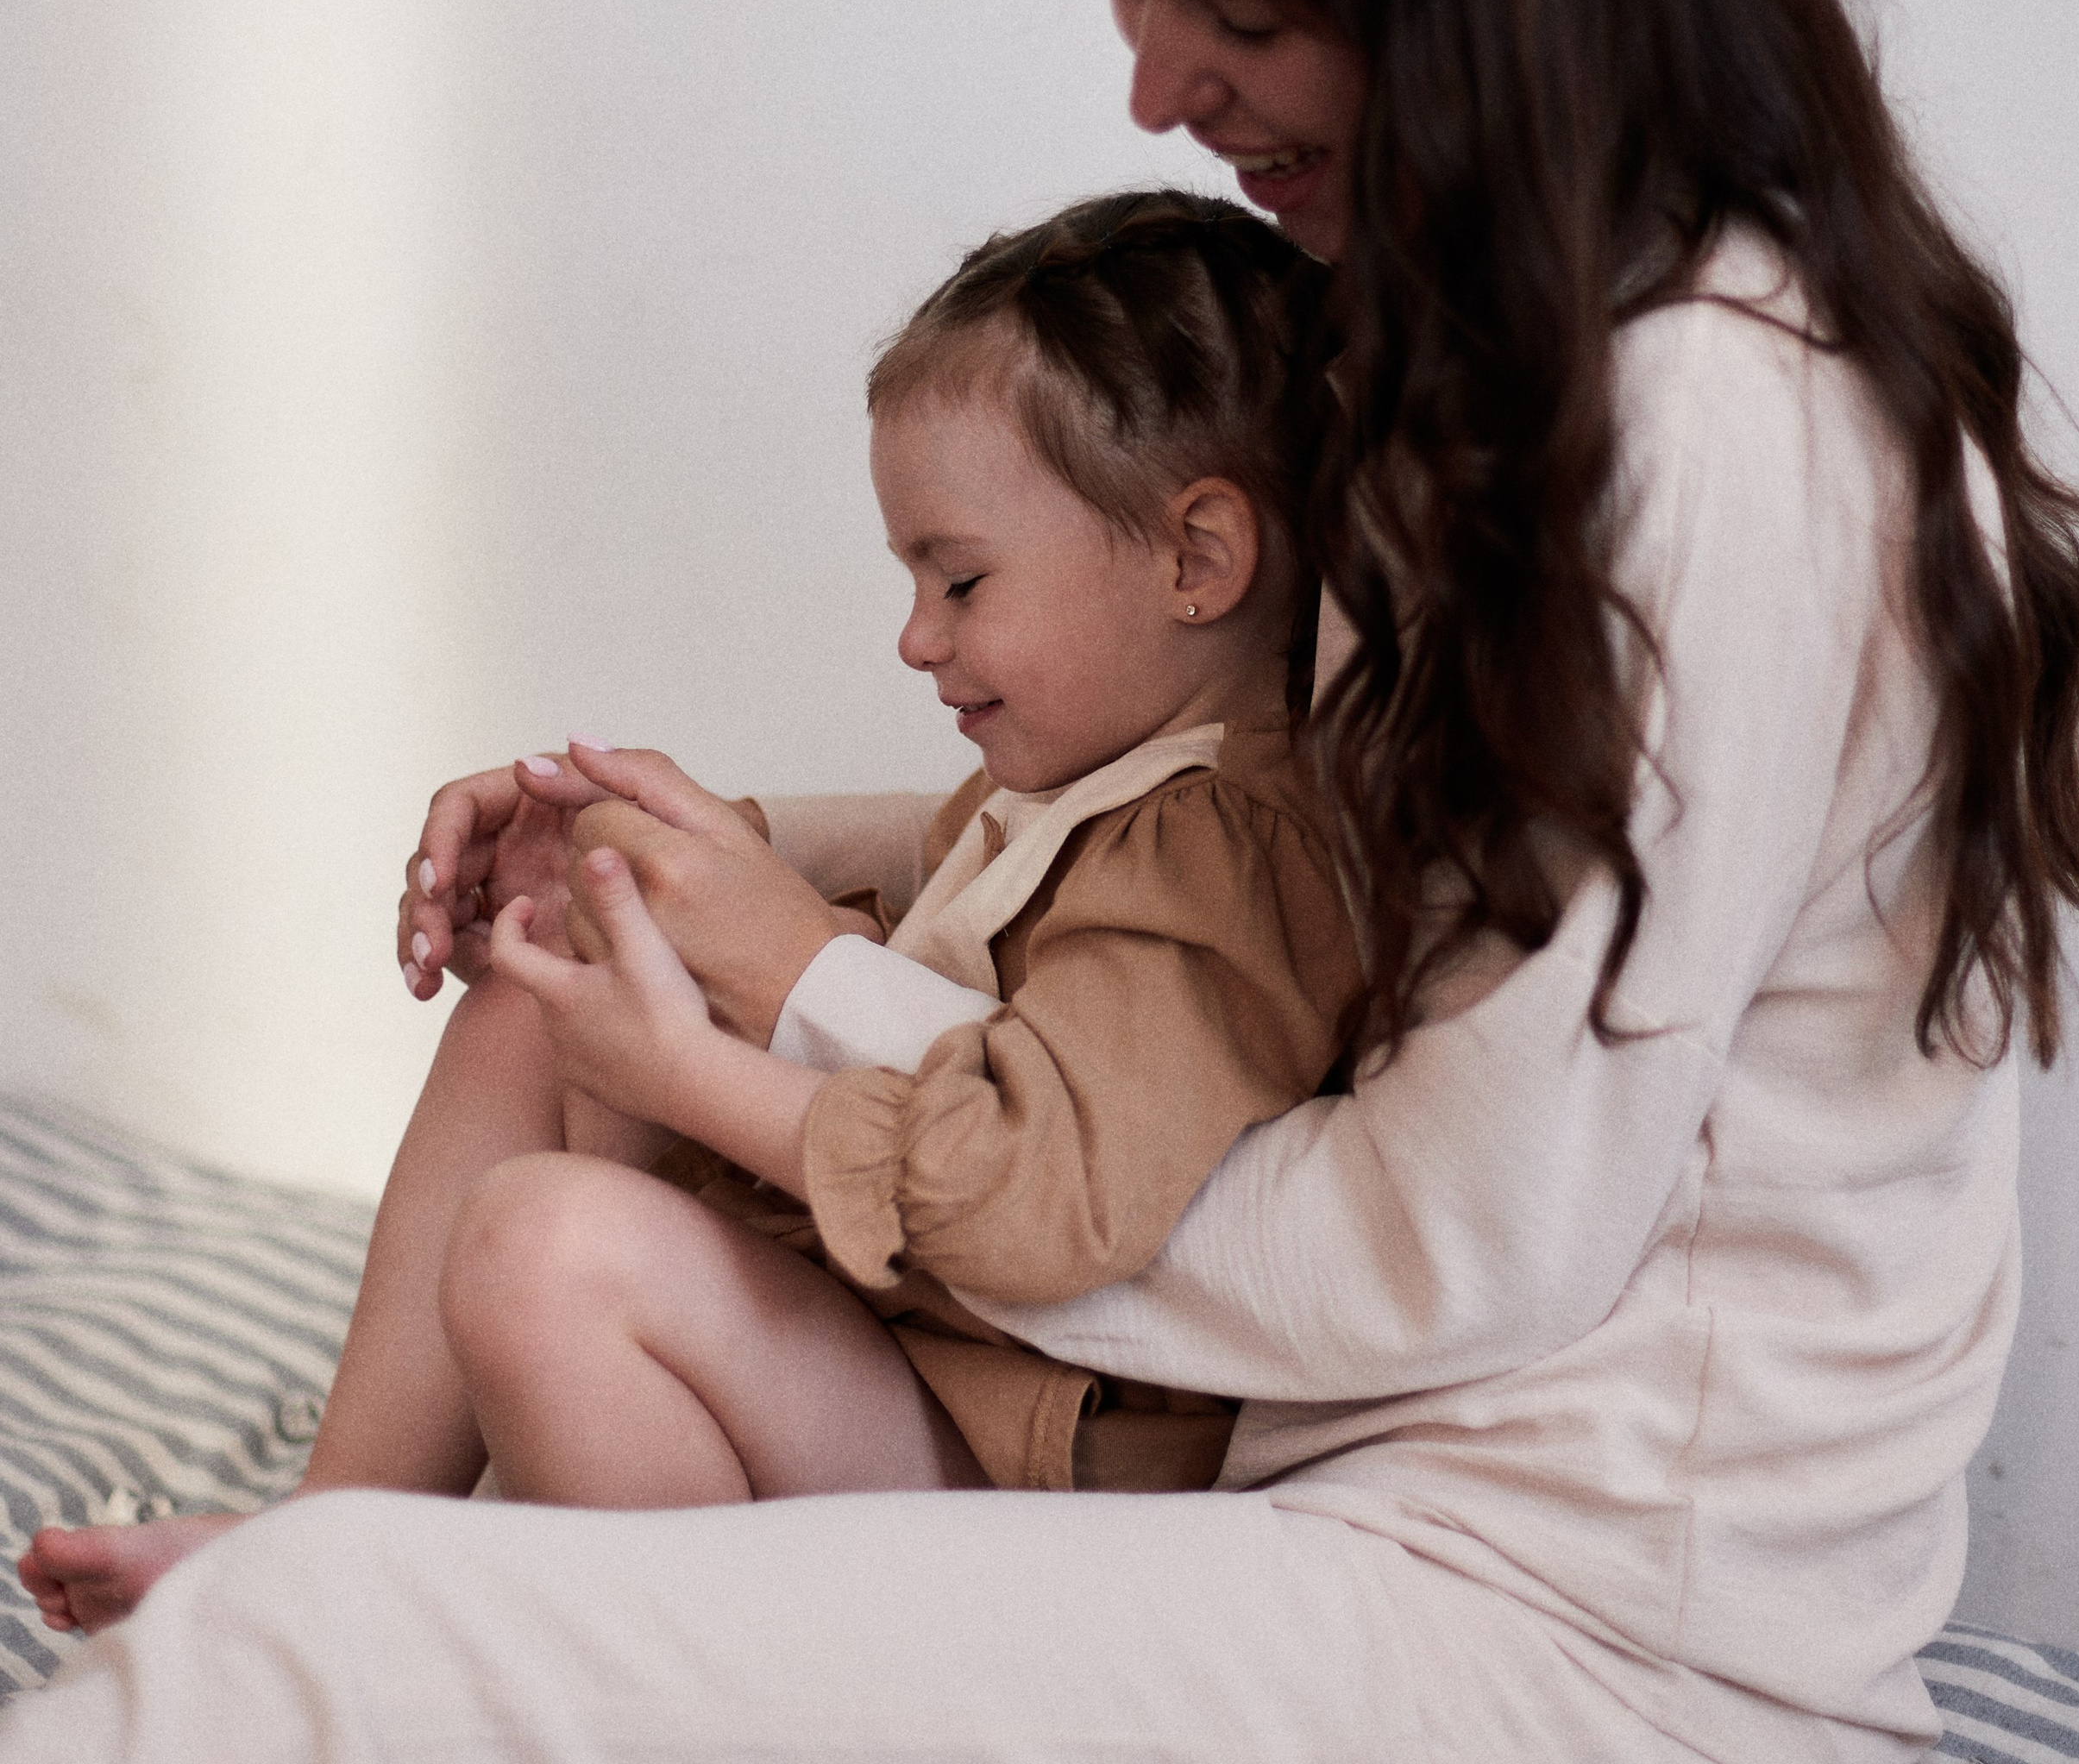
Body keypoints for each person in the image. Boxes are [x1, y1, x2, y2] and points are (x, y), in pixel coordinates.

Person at [0, 0, 2079, 1758]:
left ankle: (320, 1559)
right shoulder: (1487, 359)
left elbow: (1436, 1254)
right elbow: (1237, 797)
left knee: (336, 1641)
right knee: (529, 1156)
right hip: (1326, 1474)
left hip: (1570, 1618)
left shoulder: (1705, 432)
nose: (1147, 91)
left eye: (1227, 10)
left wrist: (793, 990)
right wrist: (709, 843)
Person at [18, 187, 1361, 1616]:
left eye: (959, 579)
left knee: (548, 1253)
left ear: (1198, 562)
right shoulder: (1110, 778)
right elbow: (942, 909)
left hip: (1031, 1463)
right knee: (545, 994)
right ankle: (336, 1538)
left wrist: (700, 1074)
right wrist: (652, 867)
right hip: (938, 1360)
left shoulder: (1224, 845)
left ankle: (644, 1677)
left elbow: (1047, 1198)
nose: (917, 639)